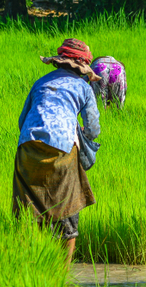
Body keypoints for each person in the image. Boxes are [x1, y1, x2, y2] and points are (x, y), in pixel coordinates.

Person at [14, 38, 100, 264]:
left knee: (28, 211)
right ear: (81, 67)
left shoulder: (40, 82)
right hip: (62, 149)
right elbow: (93, 129)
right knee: (67, 213)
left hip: (27, 147)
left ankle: (27, 266)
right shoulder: (83, 87)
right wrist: (79, 132)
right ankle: (61, 276)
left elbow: (23, 121)